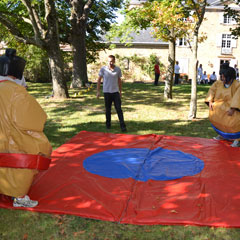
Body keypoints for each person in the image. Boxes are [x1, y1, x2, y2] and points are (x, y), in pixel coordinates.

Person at [0, 53, 52, 207]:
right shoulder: (17, 92)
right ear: (17, 74)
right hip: (14, 137)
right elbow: (33, 120)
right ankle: (19, 197)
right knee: (22, 160)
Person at [205, 62, 240, 147]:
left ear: (229, 77)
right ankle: (223, 135)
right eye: (221, 76)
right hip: (219, 108)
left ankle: (237, 139)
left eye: (223, 76)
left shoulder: (237, 85)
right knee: (216, 118)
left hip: (231, 109)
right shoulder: (218, 83)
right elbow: (212, 90)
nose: (222, 78)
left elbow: (238, 96)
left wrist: (233, 108)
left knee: (233, 122)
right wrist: (210, 100)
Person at [97, 55, 127, 132]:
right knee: (108, 109)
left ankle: (122, 126)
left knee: (119, 109)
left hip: (115, 92)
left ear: (114, 61)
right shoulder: (103, 69)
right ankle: (108, 124)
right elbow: (99, 80)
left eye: (111, 61)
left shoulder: (118, 69)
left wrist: (120, 92)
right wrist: (98, 91)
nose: (110, 62)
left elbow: (119, 81)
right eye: (109, 61)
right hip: (107, 92)